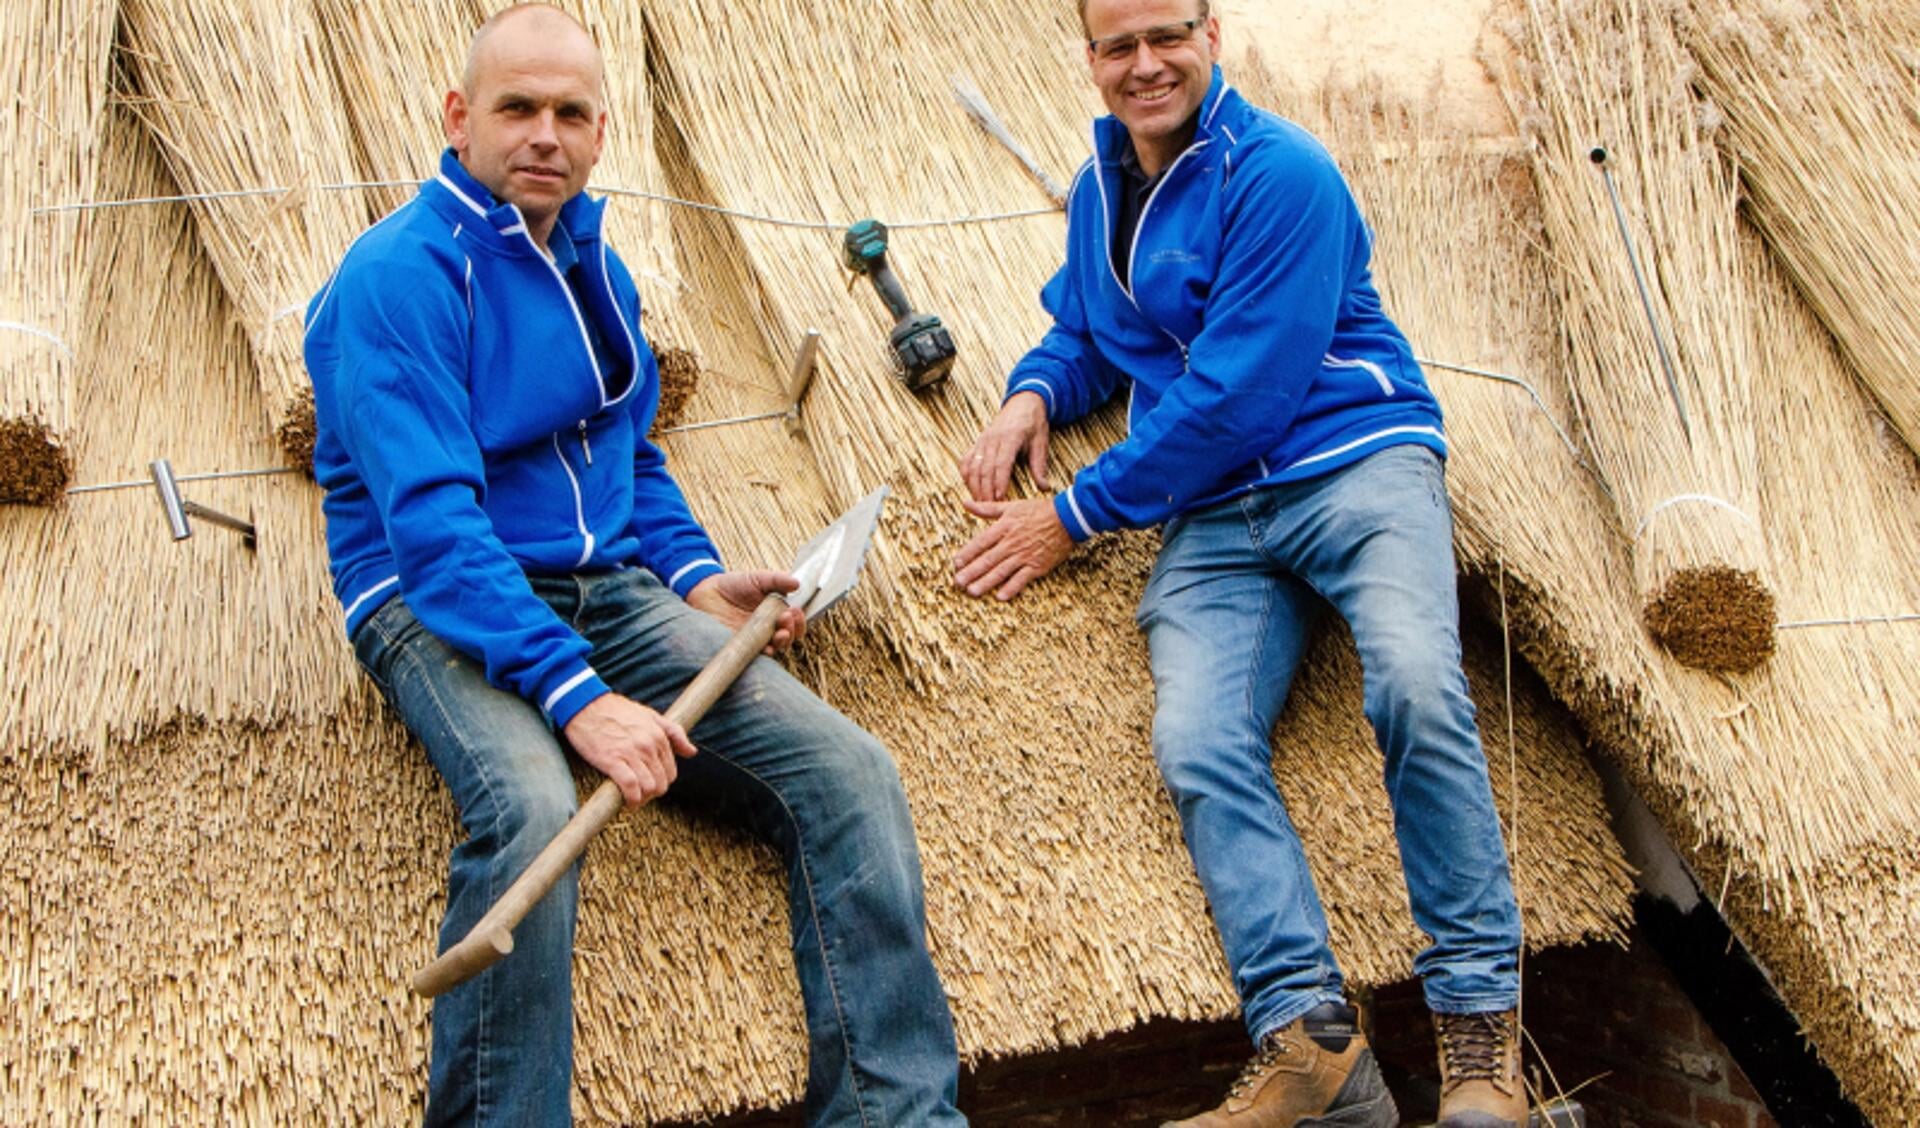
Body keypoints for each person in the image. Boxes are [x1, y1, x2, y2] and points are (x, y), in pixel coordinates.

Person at [304, 6, 966, 1125]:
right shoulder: (396, 278)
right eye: (517, 108)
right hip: (436, 600)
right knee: (525, 804)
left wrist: (696, 576)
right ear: (459, 118)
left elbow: (626, 445)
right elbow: (434, 530)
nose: (544, 135)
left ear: (602, 132)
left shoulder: (594, 261)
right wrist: (580, 702)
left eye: (570, 113)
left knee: (851, 775)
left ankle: (895, 1113)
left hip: (605, 589)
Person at [953, 2, 1529, 1125]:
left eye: (1167, 33)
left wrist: (1072, 513)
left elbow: (1240, 395)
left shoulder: (1283, 174)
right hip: (1219, 523)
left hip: (1351, 462)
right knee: (1197, 739)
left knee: (1414, 680)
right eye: (1118, 45)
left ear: (1215, 35)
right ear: (1091, 59)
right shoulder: (1099, 187)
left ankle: (1477, 1036)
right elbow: (1086, 326)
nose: (1145, 63)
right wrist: (1033, 391)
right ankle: (1312, 1049)